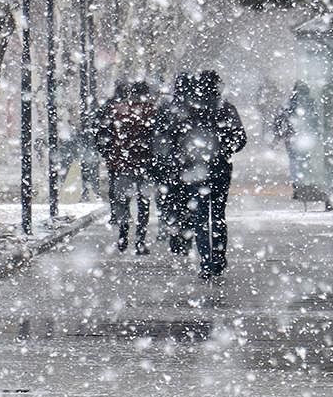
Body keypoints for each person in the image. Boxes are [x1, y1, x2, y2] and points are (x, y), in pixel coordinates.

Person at [175, 69, 246, 280]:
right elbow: (240, 138)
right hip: (220, 169)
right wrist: (224, 150)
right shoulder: (225, 108)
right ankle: (218, 257)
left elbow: (176, 139)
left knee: (200, 216)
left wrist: (186, 157)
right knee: (217, 214)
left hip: (196, 170)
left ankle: (206, 261)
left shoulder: (189, 110)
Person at [96, 80, 157, 254]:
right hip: (145, 164)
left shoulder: (117, 111)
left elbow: (103, 135)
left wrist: (109, 155)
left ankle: (123, 238)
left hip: (122, 164)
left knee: (123, 203)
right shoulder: (151, 112)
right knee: (143, 205)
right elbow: (158, 139)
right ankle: (140, 241)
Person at [152, 72, 195, 254]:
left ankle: (174, 234)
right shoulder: (195, 108)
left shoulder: (166, 108)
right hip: (189, 165)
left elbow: (157, 134)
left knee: (171, 200)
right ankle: (185, 237)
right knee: (188, 201)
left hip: (169, 164)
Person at [272, 80, 323, 201]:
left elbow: (280, 119)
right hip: (305, 136)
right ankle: (305, 183)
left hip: (291, 136)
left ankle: (298, 185)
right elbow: (315, 119)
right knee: (304, 159)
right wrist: (316, 133)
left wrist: (278, 135)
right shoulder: (311, 102)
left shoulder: (288, 103)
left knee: (294, 160)